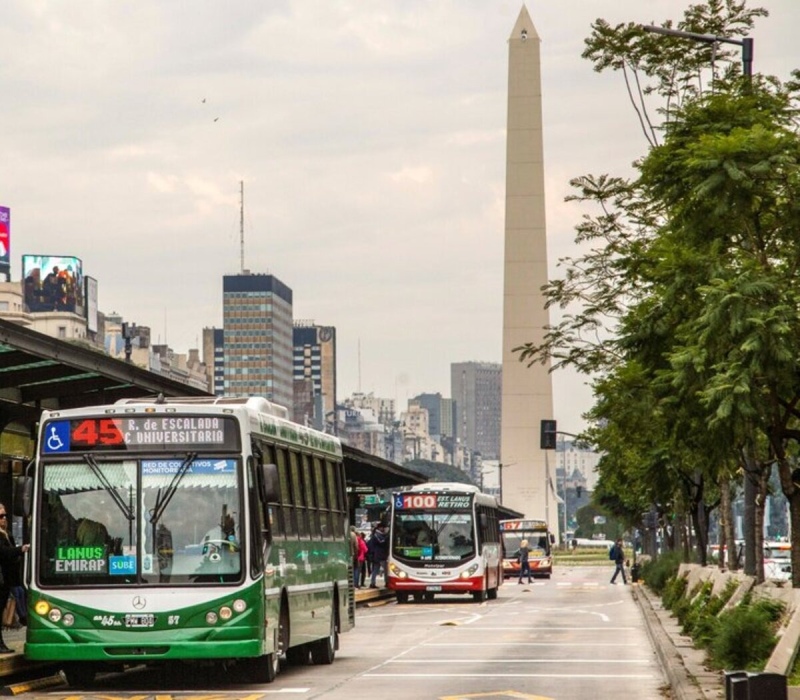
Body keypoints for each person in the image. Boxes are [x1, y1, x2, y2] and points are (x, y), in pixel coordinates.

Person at [0, 504, 29, 653]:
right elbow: (4, 552)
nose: (4, 519)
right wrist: (20, 550)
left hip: (7, 579)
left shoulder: (6, 533)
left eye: (5, 515)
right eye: (1, 516)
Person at [368, 523, 389, 588]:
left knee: (376, 569)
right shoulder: (377, 535)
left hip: (379, 555)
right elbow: (381, 542)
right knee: (385, 570)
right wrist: (387, 537)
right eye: (383, 527)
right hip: (379, 555)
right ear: (379, 528)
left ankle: (373, 583)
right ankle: (385, 582)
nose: (383, 529)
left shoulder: (378, 534)